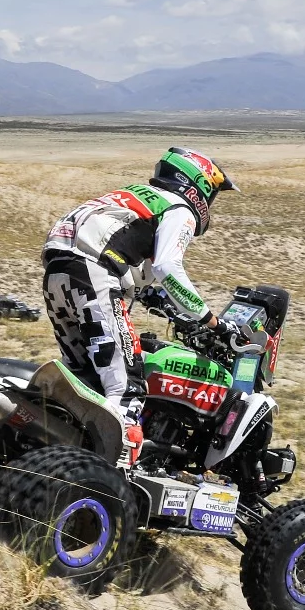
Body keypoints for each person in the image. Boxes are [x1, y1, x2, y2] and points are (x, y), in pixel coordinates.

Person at [41, 147, 238, 466]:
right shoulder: (178, 207)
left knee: (85, 379)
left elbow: (129, 258)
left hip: (58, 271)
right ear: (197, 186)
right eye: (211, 193)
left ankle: (65, 458)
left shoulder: (137, 195)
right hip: (94, 271)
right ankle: (114, 480)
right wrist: (210, 320)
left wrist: (154, 298)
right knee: (128, 385)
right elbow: (167, 267)